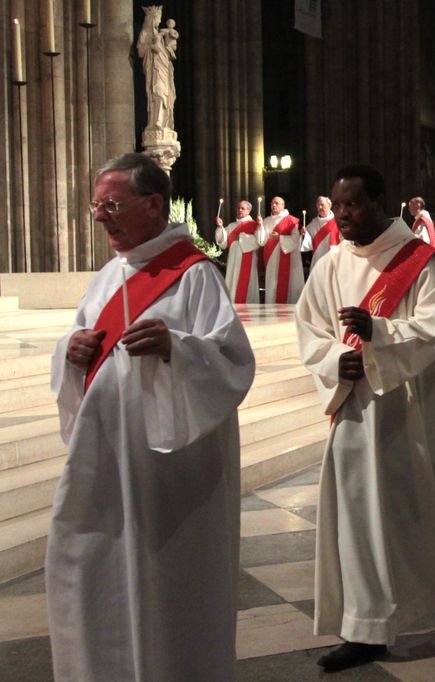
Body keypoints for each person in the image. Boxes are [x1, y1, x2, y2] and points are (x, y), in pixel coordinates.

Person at [46, 152, 255, 680]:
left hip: (170, 477)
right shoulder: (108, 275)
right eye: (96, 205)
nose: (100, 216)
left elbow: (232, 362)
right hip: (106, 464)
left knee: (168, 587)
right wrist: (70, 352)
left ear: (155, 204)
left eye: (111, 204)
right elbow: (81, 343)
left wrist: (176, 350)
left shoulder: (192, 274)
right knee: (104, 578)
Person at [295, 164, 435, 672]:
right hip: (354, 408)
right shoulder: (331, 262)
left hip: (409, 409)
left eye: (353, 204)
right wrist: (337, 360)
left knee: (417, 501)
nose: (344, 214)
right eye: (338, 205)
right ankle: (366, 627)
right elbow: (310, 328)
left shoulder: (420, 261)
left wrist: (376, 333)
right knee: (359, 514)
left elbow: (433, 328)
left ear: (380, 201)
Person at [137, 6, 176, 131]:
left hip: (164, 69)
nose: (159, 22)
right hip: (154, 70)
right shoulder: (145, 33)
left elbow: (169, 51)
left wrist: (167, 45)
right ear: (151, 19)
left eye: (159, 19)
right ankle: (155, 121)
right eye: (157, 19)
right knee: (157, 94)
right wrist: (151, 47)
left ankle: (164, 122)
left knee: (166, 95)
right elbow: (140, 51)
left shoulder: (160, 34)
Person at [260, 196, 305, 304]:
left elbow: (295, 241)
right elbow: (261, 241)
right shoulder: (266, 221)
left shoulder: (291, 220)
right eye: (272, 203)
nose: (273, 205)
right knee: (272, 286)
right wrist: (260, 226)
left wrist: (279, 238)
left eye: (276, 203)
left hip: (288, 259)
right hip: (271, 259)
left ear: (283, 206)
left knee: (288, 287)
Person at [215, 199, 260, 304]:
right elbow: (223, 243)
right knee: (233, 281)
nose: (240, 210)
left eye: (242, 208)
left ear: (248, 211)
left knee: (245, 285)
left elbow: (258, 242)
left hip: (247, 258)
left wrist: (240, 237)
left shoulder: (254, 224)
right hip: (233, 259)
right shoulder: (231, 226)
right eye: (238, 208)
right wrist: (220, 227)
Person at [303, 196, 339, 271]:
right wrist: (303, 234)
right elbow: (307, 241)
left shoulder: (338, 221)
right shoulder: (313, 223)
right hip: (318, 258)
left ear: (329, 205)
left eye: (322, 204)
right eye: (318, 205)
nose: (320, 207)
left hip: (334, 258)